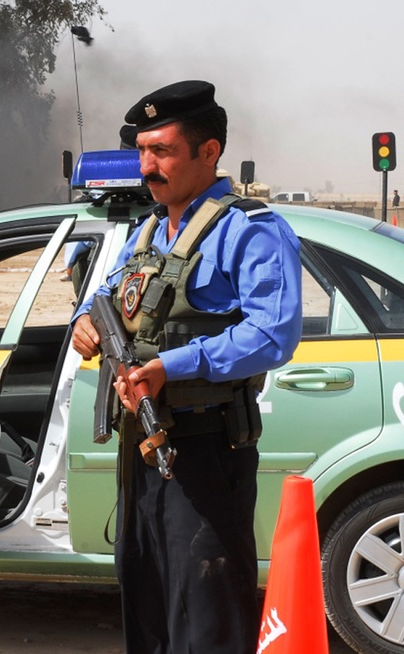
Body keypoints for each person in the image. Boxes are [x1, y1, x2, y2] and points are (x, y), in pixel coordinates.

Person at [70, 80, 302, 654]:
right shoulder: (148, 232)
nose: (147, 166)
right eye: (142, 151)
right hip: (140, 451)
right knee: (146, 603)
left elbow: (272, 333)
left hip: (203, 451)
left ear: (208, 151)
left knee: (206, 616)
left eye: (162, 151)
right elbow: (106, 291)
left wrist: (172, 366)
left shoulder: (249, 231)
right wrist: (86, 320)